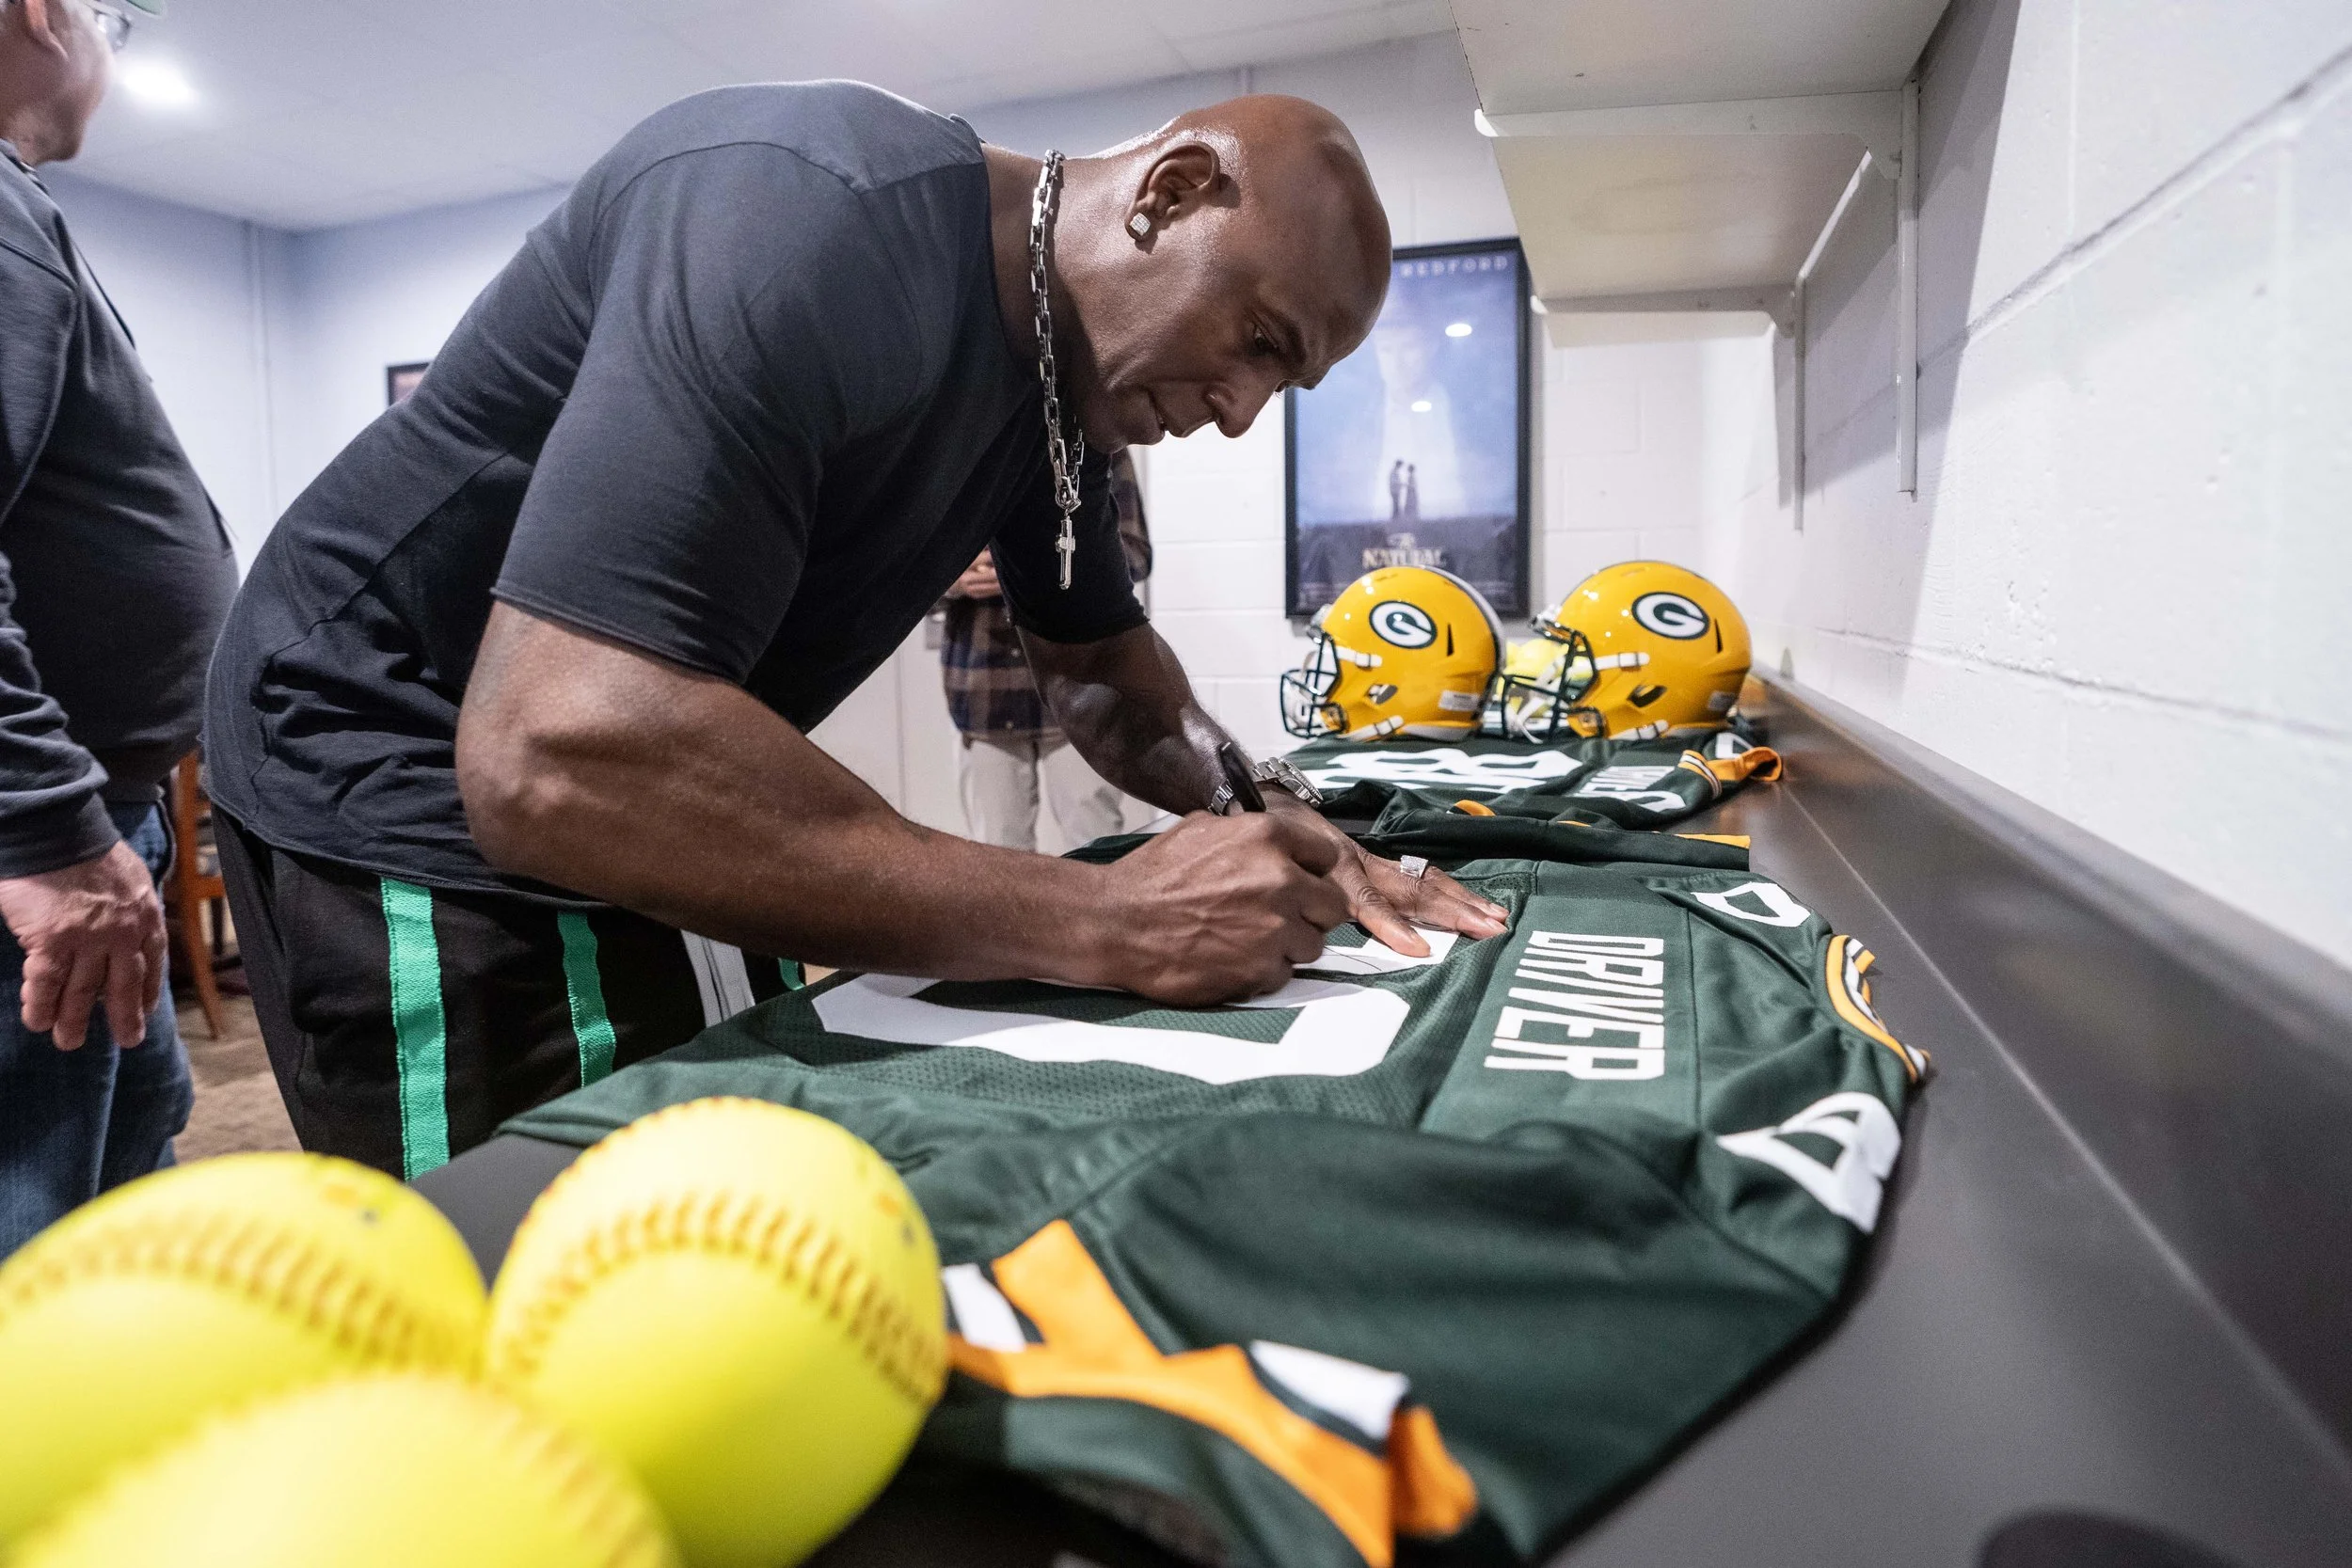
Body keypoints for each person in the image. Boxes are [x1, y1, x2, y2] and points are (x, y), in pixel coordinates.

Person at [205, 82, 1511, 1180]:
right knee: (552, 1257)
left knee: (765, 1169)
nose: (1241, 410)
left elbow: (1105, 669)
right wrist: (1104, 916)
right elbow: (552, 752)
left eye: (1286, 382)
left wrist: (1279, 812)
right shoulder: (802, 220)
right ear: (1169, 191)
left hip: (648, 748)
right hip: (395, 740)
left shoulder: (1059, 396)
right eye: (1259, 341)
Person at [0, 0, 238, 1253]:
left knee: (115, 1198)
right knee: (36, 1232)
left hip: (89, 821)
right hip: (38, 854)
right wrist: (44, 830)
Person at [943, 450, 1150, 851]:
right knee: (997, 864)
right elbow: (907, 565)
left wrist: (1033, 569)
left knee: (1099, 851)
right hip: (985, 694)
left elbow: (1134, 556)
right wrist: (953, 578)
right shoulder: (958, 443)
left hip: (1082, 688)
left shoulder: (1099, 443)